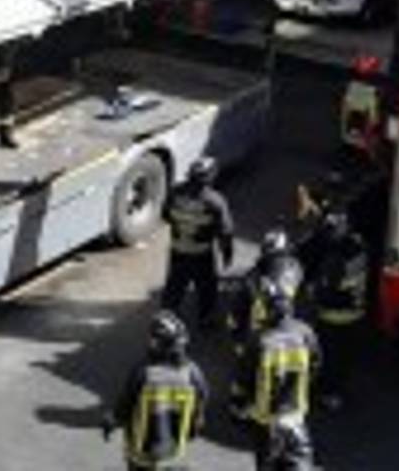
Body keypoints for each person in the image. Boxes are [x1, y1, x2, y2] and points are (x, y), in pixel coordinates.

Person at [105, 310, 209, 471]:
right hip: (175, 450)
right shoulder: (193, 373)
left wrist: (110, 422)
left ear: (158, 343)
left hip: (141, 452)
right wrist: (194, 428)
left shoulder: (144, 372)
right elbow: (201, 403)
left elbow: (125, 405)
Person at [231, 287, 320, 471]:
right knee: (299, 460)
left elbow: (244, 376)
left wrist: (239, 404)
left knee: (267, 462)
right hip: (296, 414)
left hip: (265, 419)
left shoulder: (259, 339)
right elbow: (315, 364)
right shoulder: (305, 333)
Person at [303, 209, 367, 410]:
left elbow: (324, 290)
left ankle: (328, 395)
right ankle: (337, 391)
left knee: (328, 358)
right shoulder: (359, 248)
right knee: (344, 358)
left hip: (333, 318)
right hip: (356, 313)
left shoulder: (335, 260)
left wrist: (311, 292)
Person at [160, 157, 235, 328]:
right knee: (207, 288)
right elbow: (225, 231)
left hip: (177, 250)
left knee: (174, 287)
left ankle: (166, 321)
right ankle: (206, 319)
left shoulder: (175, 192)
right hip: (201, 254)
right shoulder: (215, 201)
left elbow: (165, 215)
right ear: (209, 177)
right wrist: (227, 254)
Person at [228, 229, 304, 356]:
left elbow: (238, 310)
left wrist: (238, 339)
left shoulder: (253, 277)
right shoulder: (296, 267)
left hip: (264, 334)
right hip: (291, 331)